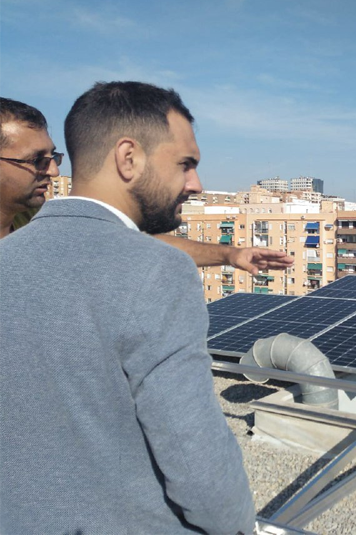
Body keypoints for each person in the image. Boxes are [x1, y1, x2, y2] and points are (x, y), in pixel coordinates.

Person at [0, 82, 257, 534]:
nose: (195, 184)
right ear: (128, 158)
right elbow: (196, 461)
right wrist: (237, 523)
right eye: (185, 164)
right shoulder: (158, 272)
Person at [0, 96, 293, 275]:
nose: (52, 170)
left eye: (54, 157)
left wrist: (230, 255)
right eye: (36, 159)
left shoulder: (33, 222)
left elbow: (128, 245)